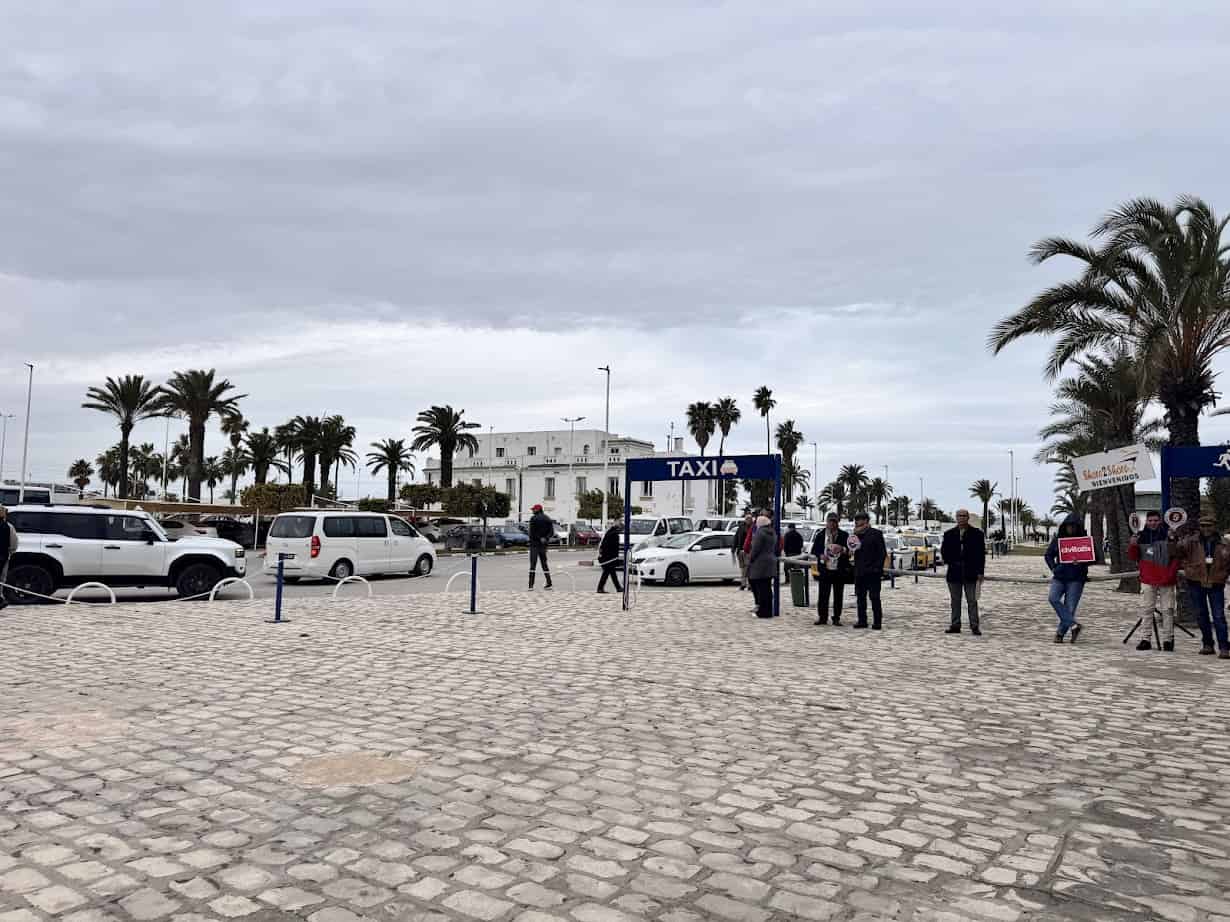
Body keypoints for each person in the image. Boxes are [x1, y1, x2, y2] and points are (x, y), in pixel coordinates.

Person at [1171, 514, 1230, 658]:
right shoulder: (1191, 541)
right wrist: (1174, 540)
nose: (1206, 528)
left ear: (1214, 526)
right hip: (1196, 581)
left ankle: (1224, 647)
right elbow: (1176, 553)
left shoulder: (1225, 543)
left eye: (1208, 525)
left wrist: (1224, 573)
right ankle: (1207, 644)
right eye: (1203, 525)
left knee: (1218, 616)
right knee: (1201, 615)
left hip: (1216, 582)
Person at [1128, 511, 1179, 651]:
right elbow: (1133, 557)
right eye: (1150, 520)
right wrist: (1133, 545)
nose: (1153, 523)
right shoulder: (1140, 536)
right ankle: (1145, 639)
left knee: (1167, 610)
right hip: (1147, 579)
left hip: (1167, 579)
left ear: (1160, 521)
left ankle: (1168, 640)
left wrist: (1172, 540)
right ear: (1146, 522)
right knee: (1146, 609)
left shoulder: (1169, 535)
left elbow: (1176, 556)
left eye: (1155, 520)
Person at [1044, 513, 1089, 643]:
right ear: (1064, 526)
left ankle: (1060, 634)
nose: (1071, 529)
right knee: (1052, 598)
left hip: (1077, 579)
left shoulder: (1084, 540)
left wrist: (1081, 561)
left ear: (1078, 527)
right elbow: (1048, 555)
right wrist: (1054, 568)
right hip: (1060, 576)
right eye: (1069, 526)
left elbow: (1094, 557)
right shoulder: (1058, 539)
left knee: (1070, 608)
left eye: (1074, 526)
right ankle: (1074, 626)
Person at [941, 509, 986, 636]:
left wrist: (980, 572)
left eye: (964, 516)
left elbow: (981, 555)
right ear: (956, 517)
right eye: (959, 516)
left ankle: (974, 626)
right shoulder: (949, 534)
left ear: (968, 517)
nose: (961, 518)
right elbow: (944, 552)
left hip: (971, 572)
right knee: (955, 601)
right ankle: (955, 624)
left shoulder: (977, 534)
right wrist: (952, 561)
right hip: (954, 573)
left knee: (972, 600)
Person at [810, 512, 850, 626]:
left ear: (838, 523)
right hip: (825, 569)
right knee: (823, 594)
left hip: (839, 569)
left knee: (838, 595)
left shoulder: (844, 535)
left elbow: (849, 551)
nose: (832, 524)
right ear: (826, 522)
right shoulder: (821, 534)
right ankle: (822, 617)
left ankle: (836, 617)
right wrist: (820, 555)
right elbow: (814, 550)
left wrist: (842, 549)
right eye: (830, 521)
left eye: (834, 521)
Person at [851, 512, 886, 629]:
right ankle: (862, 620)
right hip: (860, 572)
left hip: (873, 573)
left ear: (866, 521)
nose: (856, 522)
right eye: (856, 520)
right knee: (860, 598)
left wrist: (876, 568)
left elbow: (882, 553)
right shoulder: (855, 535)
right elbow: (853, 551)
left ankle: (877, 622)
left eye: (859, 520)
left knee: (874, 597)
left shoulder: (876, 534)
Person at [747, 514, 778, 618]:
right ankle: (769, 611)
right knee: (767, 588)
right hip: (770, 563)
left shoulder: (760, 533)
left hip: (760, 564)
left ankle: (762, 612)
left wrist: (750, 559)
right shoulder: (772, 532)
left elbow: (755, 549)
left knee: (761, 589)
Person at [527, 504, 554, 590]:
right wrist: (545, 538)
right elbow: (551, 532)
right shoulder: (548, 518)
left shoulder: (533, 519)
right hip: (543, 545)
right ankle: (549, 582)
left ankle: (531, 585)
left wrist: (539, 538)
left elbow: (532, 533)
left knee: (533, 565)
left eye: (533, 510)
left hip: (534, 545)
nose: (532, 511)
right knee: (544, 564)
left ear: (537, 510)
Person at [596, 523, 623, 594]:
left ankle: (618, 587)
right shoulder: (615, 535)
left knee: (612, 573)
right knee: (606, 573)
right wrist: (616, 558)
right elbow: (614, 548)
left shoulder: (608, 533)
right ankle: (600, 588)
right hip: (609, 558)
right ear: (619, 529)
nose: (621, 531)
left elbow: (603, 545)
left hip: (605, 557)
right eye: (621, 529)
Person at [732, 514, 753, 590]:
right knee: (743, 568)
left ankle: (748, 584)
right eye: (747, 519)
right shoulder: (741, 527)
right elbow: (736, 538)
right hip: (740, 551)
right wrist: (733, 548)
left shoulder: (753, 527)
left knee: (748, 568)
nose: (748, 520)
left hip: (748, 551)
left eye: (749, 519)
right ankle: (743, 583)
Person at [0, 506, 14, 610]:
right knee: (1, 579)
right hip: (2, 557)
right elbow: (14, 544)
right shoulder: (8, 526)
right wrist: (9, 553)